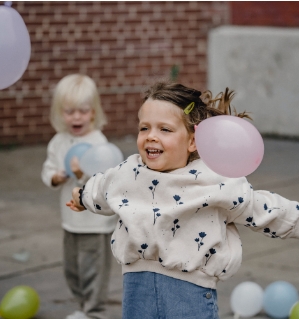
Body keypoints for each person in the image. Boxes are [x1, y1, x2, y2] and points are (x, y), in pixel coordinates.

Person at [66, 81, 299, 319]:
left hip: (189, 295)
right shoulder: (128, 173)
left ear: (192, 141)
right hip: (138, 290)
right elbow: (102, 188)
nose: (151, 137)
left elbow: (263, 209)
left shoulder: (214, 183)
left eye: (165, 129)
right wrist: (82, 196)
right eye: (144, 128)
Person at [42, 74, 118, 319]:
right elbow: (48, 170)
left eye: (83, 111)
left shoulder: (98, 142)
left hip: (95, 223)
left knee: (94, 270)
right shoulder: (58, 141)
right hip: (70, 220)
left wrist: (81, 175)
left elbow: (103, 181)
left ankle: (94, 312)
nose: (76, 117)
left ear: (93, 112)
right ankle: (82, 307)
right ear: (59, 112)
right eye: (70, 111)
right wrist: (58, 177)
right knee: (72, 269)